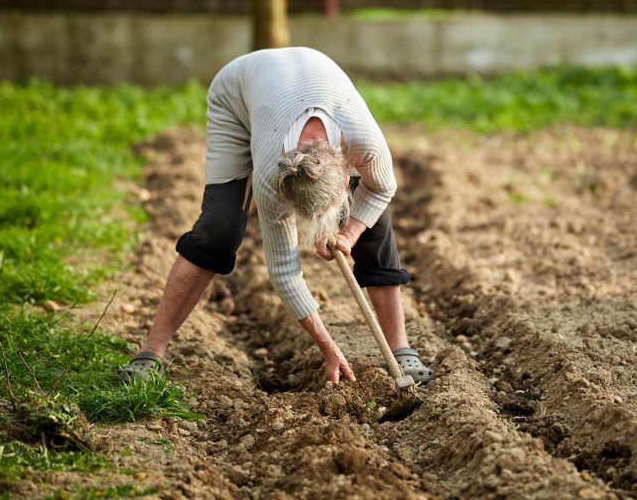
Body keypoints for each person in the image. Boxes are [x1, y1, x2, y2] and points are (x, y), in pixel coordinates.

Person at [117, 47, 434, 386]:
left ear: (346, 175)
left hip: (314, 81)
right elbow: (284, 272)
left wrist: (350, 232)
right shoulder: (273, 176)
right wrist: (327, 347)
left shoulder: (364, 143)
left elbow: (383, 189)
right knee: (219, 228)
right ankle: (152, 350)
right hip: (237, 96)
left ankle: (400, 349)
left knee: (375, 228)